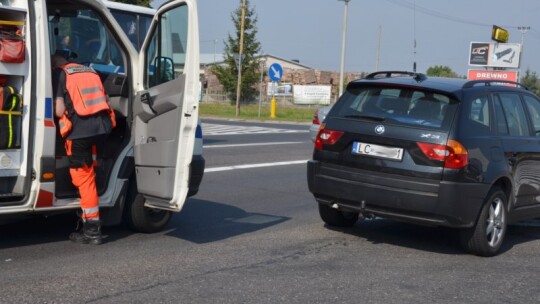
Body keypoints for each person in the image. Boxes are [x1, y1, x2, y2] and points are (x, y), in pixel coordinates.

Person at [51, 54, 115, 245]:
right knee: (89, 169)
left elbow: (59, 111)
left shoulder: (60, 74)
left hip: (80, 133)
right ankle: (89, 214)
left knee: (83, 179)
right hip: (102, 128)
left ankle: (92, 231)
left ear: (56, 63)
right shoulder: (90, 70)